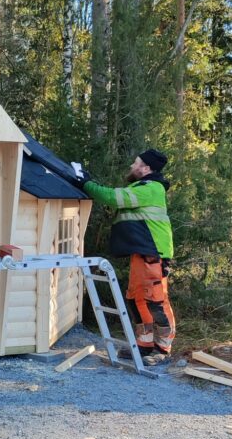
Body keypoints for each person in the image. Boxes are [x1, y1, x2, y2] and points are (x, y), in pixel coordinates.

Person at [75, 149, 175, 358]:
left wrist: (86, 183)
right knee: (136, 299)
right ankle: (144, 345)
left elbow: (113, 197)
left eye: (136, 163)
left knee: (155, 301)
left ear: (146, 168)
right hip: (143, 252)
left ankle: (162, 349)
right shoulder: (142, 187)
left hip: (154, 253)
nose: (132, 166)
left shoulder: (151, 188)